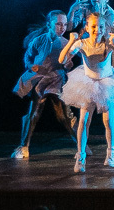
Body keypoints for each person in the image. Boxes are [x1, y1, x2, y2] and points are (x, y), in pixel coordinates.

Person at [59, 11, 114, 172]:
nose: (97, 30)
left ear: (105, 28)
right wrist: (70, 42)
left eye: (100, 26)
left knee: (108, 120)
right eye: (93, 26)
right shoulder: (82, 43)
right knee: (84, 121)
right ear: (87, 27)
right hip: (87, 84)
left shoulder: (108, 43)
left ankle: (111, 151)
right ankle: (80, 156)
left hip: (106, 84)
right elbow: (62, 60)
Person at [11, 10, 72, 161]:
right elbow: (28, 57)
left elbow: (68, 63)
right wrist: (31, 66)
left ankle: (81, 144)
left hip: (57, 79)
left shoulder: (66, 43)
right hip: (41, 79)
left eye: (65, 24)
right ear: (49, 24)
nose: (62, 27)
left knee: (63, 115)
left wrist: (68, 65)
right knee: (34, 112)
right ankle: (24, 146)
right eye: (58, 24)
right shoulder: (39, 40)